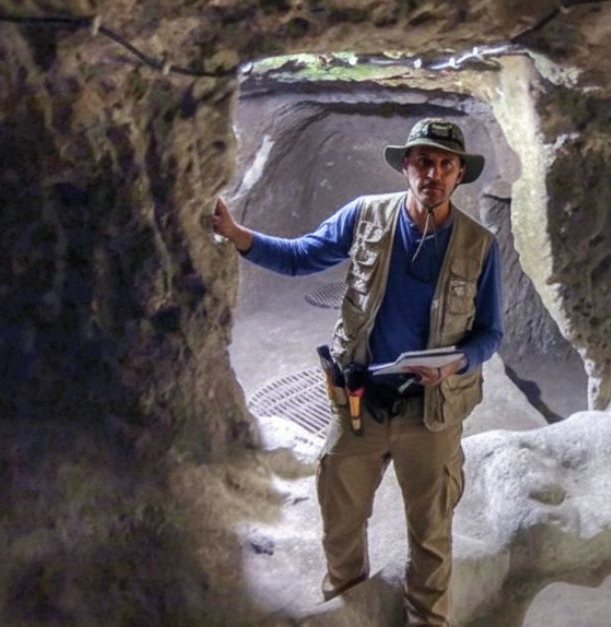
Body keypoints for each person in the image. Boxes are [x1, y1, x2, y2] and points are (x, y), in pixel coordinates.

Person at [212, 118, 502, 626]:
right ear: (407, 167)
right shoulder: (366, 216)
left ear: (459, 175)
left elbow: (489, 333)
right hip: (359, 402)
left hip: (430, 412)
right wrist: (239, 236)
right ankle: (350, 606)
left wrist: (458, 361)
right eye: (423, 161)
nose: (432, 172)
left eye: (445, 164)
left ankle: (427, 620)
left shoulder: (480, 245)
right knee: (340, 519)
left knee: (430, 532)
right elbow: (303, 255)